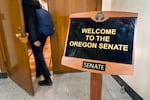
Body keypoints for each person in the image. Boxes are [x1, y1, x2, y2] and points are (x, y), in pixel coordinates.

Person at [22, 0, 52, 86]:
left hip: (35, 34)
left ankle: (47, 78)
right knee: (37, 54)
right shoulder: (37, 3)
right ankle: (38, 71)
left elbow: (30, 22)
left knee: (38, 55)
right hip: (43, 32)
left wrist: (34, 39)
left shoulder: (26, 4)